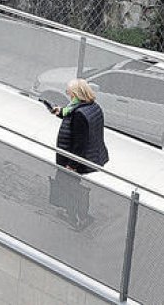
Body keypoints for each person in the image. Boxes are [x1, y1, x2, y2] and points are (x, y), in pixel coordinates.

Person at [48, 78, 110, 227]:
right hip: (88, 156)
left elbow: (79, 143)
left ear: (76, 94)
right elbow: (73, 114)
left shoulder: (79, 115)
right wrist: (60, 112)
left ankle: (75, 218)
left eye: (69, 93)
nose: (68, 95)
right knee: (71, 186)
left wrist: (72, 164)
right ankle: (80, 215)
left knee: (69, 188)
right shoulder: (92, 107)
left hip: (72, 160)